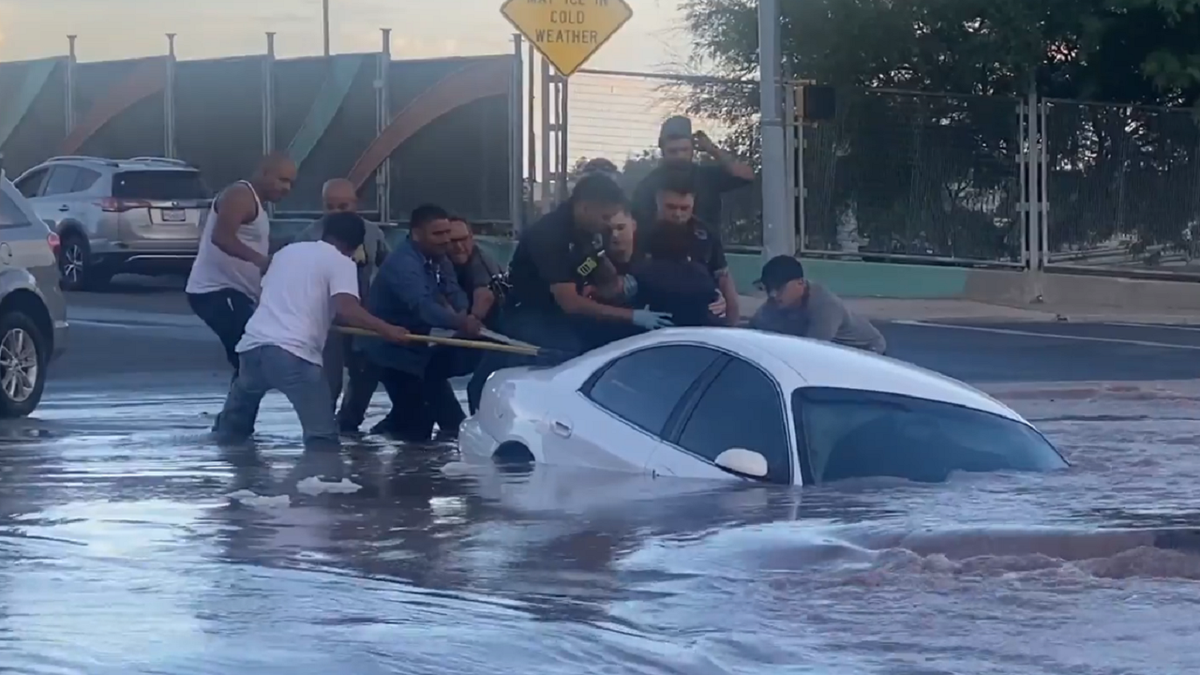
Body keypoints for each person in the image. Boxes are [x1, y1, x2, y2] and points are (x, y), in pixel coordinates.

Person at [211, 212, 410, 450]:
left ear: (324, 232)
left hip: (251, 348)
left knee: (232, 432)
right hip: (293, 355)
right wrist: (387, 329)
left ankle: (235, 478)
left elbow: (281, 296)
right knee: (322, 438)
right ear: (356, 245)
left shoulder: (285, 253)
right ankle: (323, 483)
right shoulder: (341, 262)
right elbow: (347, 309)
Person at [364, 204, 482, 442]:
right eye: (438, 234)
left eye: (447, 232)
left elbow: (452, 290)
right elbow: (423, 306)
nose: (446, 240)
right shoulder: (403, 264)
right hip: (387, 351)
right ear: (417, 234)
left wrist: (465, 314)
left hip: (418, 350)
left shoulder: (439, 256)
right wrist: (459, 322)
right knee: (417, 428)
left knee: (449, 423)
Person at [293, 178, 391, 433]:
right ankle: (321, 430)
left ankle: (349, 423)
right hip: (328, 321)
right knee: (329, 378)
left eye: (344, 206)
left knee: (365, 373)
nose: (337, 212)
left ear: (356, 204)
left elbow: (389, 267)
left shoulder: (372, 233)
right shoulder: (308, 237)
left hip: (362, 316)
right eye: (331, 206)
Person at [187, 153, 296, 375]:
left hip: (238, 293)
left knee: (248, 358)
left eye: (291, 183)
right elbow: (221, 237)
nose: (287, 188)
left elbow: (252, 243)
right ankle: (236, 410)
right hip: (217, 291)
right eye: (282, 180)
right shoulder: (240, 195)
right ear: (264, 173)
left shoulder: (255, 203)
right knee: (248, 357)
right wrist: (260, 261)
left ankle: (236, 409)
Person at [630, 115, 754, 242]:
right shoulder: (648, 185)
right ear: (663, 151)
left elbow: (746, 176)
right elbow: (638, 227)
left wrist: (712, 149)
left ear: (693, 149)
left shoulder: (707, 177)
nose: (680, 156)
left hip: (707, 254)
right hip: (663, 254)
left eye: (684, 150)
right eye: (673, 151)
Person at [648, 167, 740, 325]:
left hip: (700, 318)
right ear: (658, 199)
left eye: (684, 208)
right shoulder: (640, 231)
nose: (678, 214)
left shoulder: (705, 233)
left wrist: (732, 321)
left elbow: (723, 278)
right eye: (671, 207)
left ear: (694, 202)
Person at [750, 255, 887, 354]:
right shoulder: (775, 304)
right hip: (834, 352)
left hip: (868, 351)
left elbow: (811, 353)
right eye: (769, 288)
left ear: (801, 283)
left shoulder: (825, 306)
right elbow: (751, 332)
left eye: (780, 287)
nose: (773, 294)